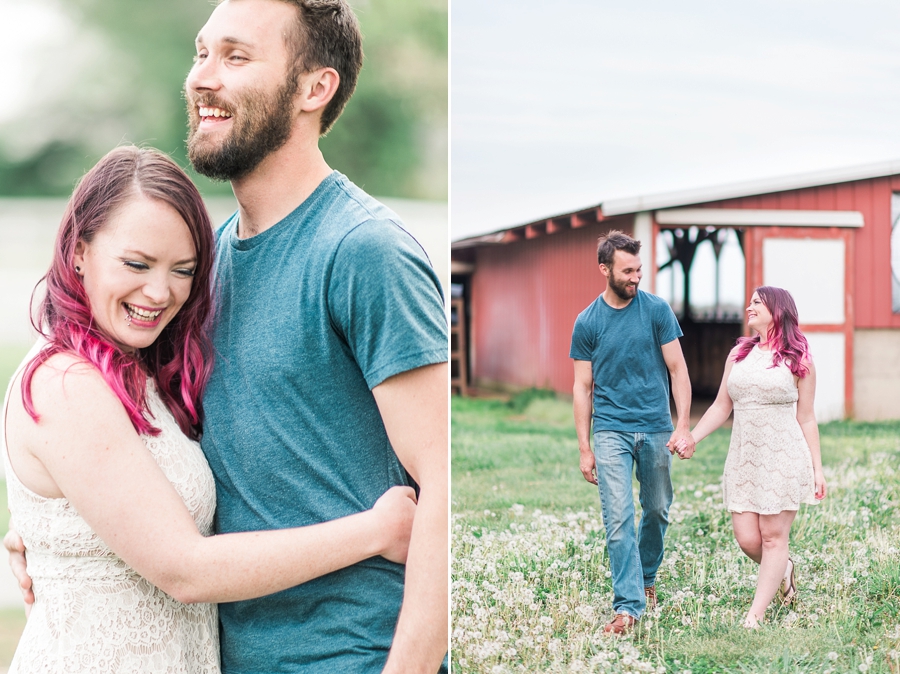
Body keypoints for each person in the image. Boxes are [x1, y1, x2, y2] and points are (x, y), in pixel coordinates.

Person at [10, 1, 450, 668]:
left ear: (313, 88)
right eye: (201, 53)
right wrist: (51, 526)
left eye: (236, 57)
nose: (202, 77)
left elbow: (446, 481)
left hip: (351, 654)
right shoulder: (197, 274)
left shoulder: (364, 251)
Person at [674, 286, 826, 629]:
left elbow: (807, 417)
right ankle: (784, 569)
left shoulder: (798, 360)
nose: (749, 307)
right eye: (751, 302)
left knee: (773, 537)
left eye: (757, 303)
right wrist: (691, 437)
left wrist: (817, 469)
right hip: (743, 456)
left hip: (783, 454)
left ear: (778, 310)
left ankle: (754, 616)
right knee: (747, 538)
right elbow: (721, 406)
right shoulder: (739, 354)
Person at [570, 230, 694, 635]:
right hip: (610, 431)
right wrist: (584, 447)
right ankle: (628, 607)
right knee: (619, 518)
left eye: (639, 269)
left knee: (657, 510)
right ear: (604, 269)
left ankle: (646, 578)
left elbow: (678, 371)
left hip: (656, 427)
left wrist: (683, 425)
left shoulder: (657, 311)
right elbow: (582, 387)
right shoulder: (587, 322)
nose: (635, 277)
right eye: (627, 270)